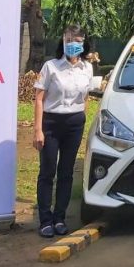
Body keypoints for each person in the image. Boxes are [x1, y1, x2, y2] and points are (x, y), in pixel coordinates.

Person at [33, 24, 94, 237]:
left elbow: (85, 97)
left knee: (67, 172)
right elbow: (39, 98)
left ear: (84, 43)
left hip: (74, 124)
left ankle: (60, 217)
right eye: (70, 40)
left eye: (78, 41)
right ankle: (45, 220)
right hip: (51, 123)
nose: (74, 45)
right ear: (63, 41)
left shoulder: (87, 68)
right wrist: (38, 129)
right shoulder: (51, 66)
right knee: (48, 172)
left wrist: (81, 118)